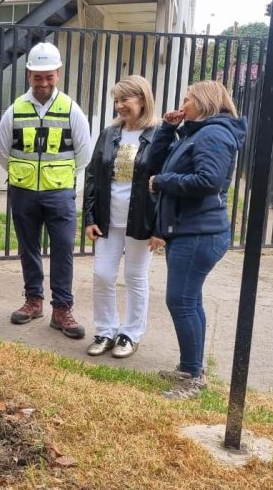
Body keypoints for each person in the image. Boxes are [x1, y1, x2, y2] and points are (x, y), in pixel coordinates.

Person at [147, 80, 246, 400]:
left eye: (188, 99)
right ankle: (191, 367)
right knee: (190, 300)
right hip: (188, 230)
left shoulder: (214, 134)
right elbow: (153, 162)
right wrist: (167, 127)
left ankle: (193, 377)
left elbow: (209, 180)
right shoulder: (198, 132)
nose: (183, 104)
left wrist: (162, 182)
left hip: (199, 233)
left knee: (181, 300)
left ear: (203, 103)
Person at [0, 42, 92, 338]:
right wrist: (25, 175)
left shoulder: (71, 109)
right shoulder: (15, 110)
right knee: (28, 248)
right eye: (38, 77)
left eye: (49, 76)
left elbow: (84, 153)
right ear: (28, 76)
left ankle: (61, 309)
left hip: (59, 193)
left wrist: (58, 177)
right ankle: (33, 301)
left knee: (63, 249)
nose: (44, 83)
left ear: (58, 74)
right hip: (23, 191)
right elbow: (2, 152)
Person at [83, 75, 164, 358]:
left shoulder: (159, 135)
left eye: (124, 100)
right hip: (108, 217)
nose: (118, 106)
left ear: (142, 99)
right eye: (116, 100)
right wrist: (90, 217)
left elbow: (165, 183)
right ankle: (106, 330)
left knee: (134, 276)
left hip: (142, 219)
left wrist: (161, 228)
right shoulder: (109, 134)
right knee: (103, 275)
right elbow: (93, 175)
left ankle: (130, 334)